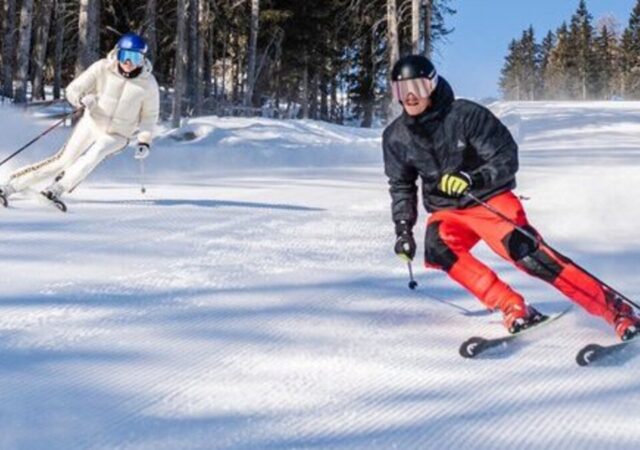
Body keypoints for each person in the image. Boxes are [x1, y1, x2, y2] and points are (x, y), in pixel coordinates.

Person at [383, 54, 639, 341]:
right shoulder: (396, 137)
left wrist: (472, 178)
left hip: (488, 199)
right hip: (448, 211)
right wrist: (403, 229)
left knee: (527, 254)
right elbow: (401, 185)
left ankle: (616, 311)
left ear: (431, 85)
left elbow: (506, 157)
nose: (409, 97)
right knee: (439, 247)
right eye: (400, 90)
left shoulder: (465, 115)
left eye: (416, 87)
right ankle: (512, 306)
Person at [0, 32, 159, 208]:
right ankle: (10, 185)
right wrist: (81, 99)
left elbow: (149, 117)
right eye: (124, 56)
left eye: (134, 57)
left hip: (119, 134)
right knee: (63, 160)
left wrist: (144, 141)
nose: (128, 63)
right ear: (117, 54)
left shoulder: (148, 84)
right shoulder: (102, 68)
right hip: (92, 122)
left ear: (142, 60)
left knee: (96, 152)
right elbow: (73, 89)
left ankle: (56, 189)